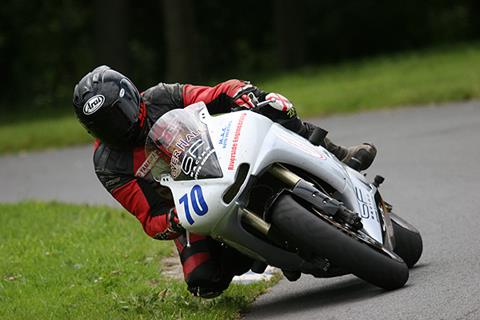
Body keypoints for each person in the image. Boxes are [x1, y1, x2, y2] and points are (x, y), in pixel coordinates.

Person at [72, 65, 376, 298]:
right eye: (105, 127)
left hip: (224, 154)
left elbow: (214, 94)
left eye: (118, 115)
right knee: (203, 280)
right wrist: (175, 219)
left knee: (274, 107)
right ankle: (261, 249)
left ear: (132, 96)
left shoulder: (162, 96)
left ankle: (337, 152)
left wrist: (241, 94)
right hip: (192, 203)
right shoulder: (109, 165)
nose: (118, 128)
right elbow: (149, 217)